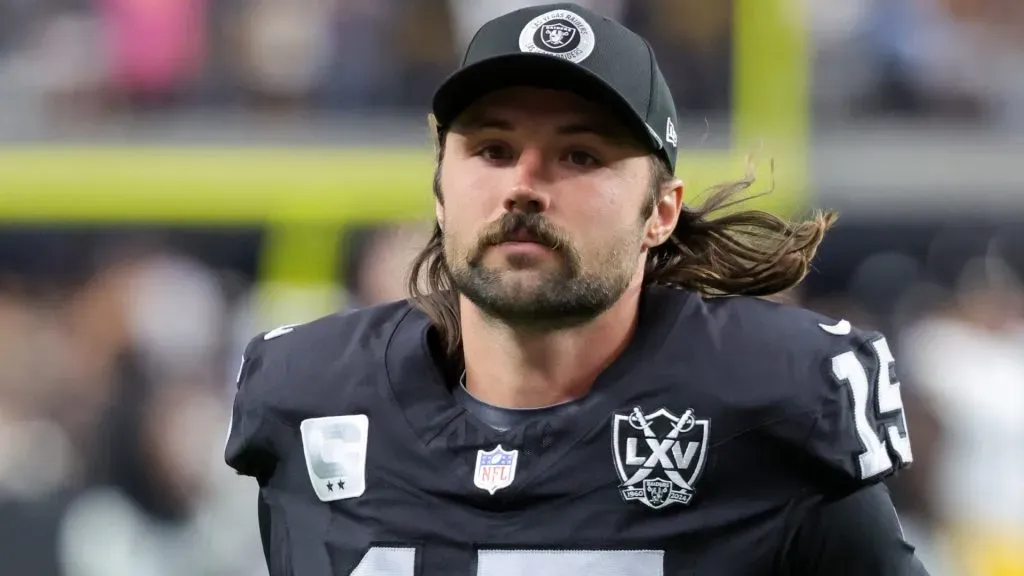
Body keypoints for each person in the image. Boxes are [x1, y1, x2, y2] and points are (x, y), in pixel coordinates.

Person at [225, 3, 930, 574]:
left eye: (580, 155)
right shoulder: (312, 401)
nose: (524, 186)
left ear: (660, 211)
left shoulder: (769, 411)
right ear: (441, 191)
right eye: (493, 150)